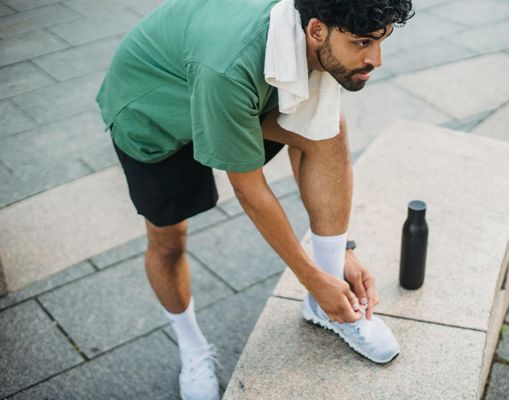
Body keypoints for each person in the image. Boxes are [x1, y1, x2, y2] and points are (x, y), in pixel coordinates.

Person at [96, 0, 414, 398]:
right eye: (364, 42)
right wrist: (312, 279)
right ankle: (192, 347)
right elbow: (250, 190)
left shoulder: (320, 33)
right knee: (168, 241)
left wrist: (337, 255)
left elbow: (312, 135)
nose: (376, 59)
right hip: (155, 114)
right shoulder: (228, 70)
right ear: (316, 31)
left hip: (225, 85)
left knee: (329, 135)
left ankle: (328, 311)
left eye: (381, 41)